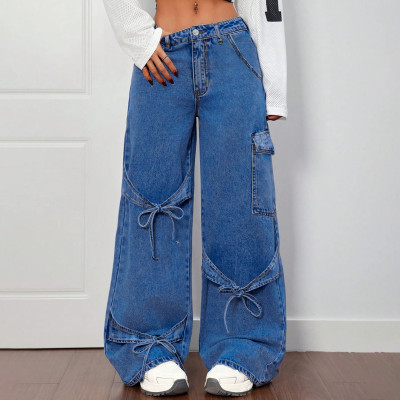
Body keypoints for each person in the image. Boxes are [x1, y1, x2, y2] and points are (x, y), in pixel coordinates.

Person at [102, 0, 288, 396]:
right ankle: (149, 343)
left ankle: (243, 345)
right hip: (161, 55)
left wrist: (274, 86)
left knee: (240, 199)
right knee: (152, 201)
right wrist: (139, 39)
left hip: (233, 51)